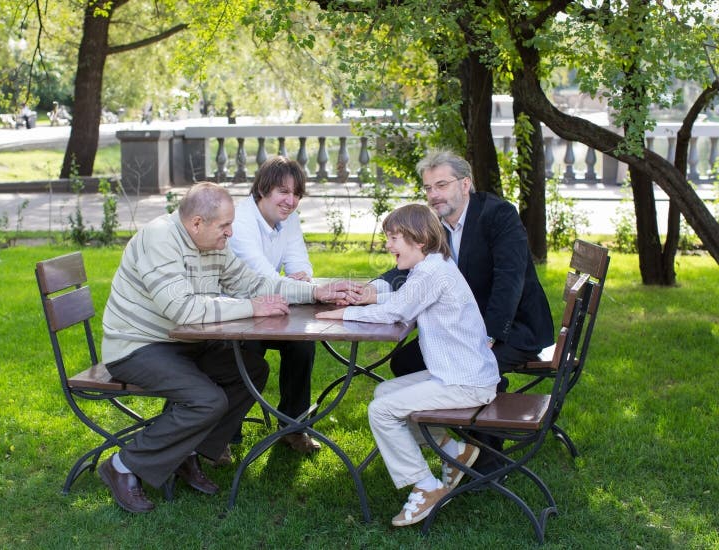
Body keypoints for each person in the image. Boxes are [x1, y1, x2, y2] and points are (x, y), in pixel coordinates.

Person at [98, 182, 360, 513]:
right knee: (206, 400)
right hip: (138, 346)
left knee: (251, 370)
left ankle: (186, 454)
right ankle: (123, 465)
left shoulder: (213, 244)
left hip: (183, 343)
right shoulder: (160, 240)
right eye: (224, 226)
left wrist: (313, 293)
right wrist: (253, 307)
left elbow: (254, 283)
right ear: (196, 223)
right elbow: (184, 310)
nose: (230, 233)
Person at [360, 150, 554, 476]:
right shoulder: (435, 225)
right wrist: (373, 288)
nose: (434, 195)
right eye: (427, 188)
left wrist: (491, 334)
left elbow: (511, 279)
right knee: (405, 362)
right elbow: (411, 269)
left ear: (465, 184)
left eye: (441, 185)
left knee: (476, 368)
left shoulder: (498, 215)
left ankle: (486, 464)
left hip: (513, 327)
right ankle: (456, 446)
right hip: (466, 328)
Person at [316, 203, 500, 527]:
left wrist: (342, 314)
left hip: (465, 382)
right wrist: (365, 300)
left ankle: (426, 486)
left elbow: (395, 313)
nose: (388, 245)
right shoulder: (433, 267)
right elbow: (404, 301)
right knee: (385, 392)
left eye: (394, 238)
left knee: (382, 410)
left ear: (419, 239)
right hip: (461, 374)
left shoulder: (432, 272)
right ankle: (452, 451)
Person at [228, 156, 320, 454]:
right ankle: (227, 435)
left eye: (296, 194)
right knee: (248, 351)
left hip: (266, 309)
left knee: (302, 344)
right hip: (230, 315)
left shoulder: (287, 217)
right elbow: (264, 280)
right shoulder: (240, 221)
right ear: (263, 189)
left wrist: (301, 279)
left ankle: (293, 428)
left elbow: (299, 263)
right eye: (283, 191)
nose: (291, 201)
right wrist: (301, 288)